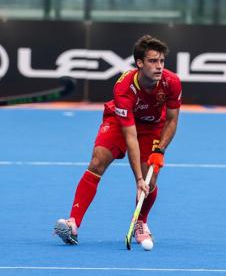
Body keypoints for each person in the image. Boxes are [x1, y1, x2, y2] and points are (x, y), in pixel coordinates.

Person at [54, 35, 181, 248]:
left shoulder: (171, 82)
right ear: (139, 63)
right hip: (121, 122)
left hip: (152, 127)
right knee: (97, 161)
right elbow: (130, 136)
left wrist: (160, 150)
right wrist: (138, 178)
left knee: (150, 183)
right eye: (152, 61)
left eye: (161, 61)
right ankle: (73, 223)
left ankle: (141, 222)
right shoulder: (124, 88)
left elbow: (172, 120)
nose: (159, 66)